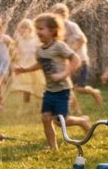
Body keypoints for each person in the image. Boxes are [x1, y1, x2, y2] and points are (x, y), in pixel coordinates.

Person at [14, 13, 90, 150]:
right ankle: (53, 147)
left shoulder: (59, 46)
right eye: (37, 28)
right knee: (45, 118)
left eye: (41, 28)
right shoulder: (40, 50)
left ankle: (82, 121)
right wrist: (25, 70)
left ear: (53, 31)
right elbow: (41, 64)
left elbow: (76, 60)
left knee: (61, 122)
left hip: (62, 90)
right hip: (49, 90)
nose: (38, 31)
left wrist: (64, 74)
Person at [51, 3, 103, 113]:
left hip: (80, 60)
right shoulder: (57, 29)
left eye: (57, 16)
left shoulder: (71, 26)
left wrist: (71, 51)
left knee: (79, 88)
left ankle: (94, 92)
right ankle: (76, 109)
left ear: (64, 15)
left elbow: (83, 40)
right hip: (68, 62)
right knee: (69, 86)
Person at [10, 18, 44, 105]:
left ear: (30, 29)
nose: (22, 30)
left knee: (37, 84)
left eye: (24, 28)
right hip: (24, 64)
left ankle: (39, 102)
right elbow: (13, 49)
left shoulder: (35, 39)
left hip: (34, 65)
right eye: (21, 28)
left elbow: (41, 49)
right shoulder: (19, 39)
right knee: (26, 85)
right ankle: (26, 102)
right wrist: (14, 55)